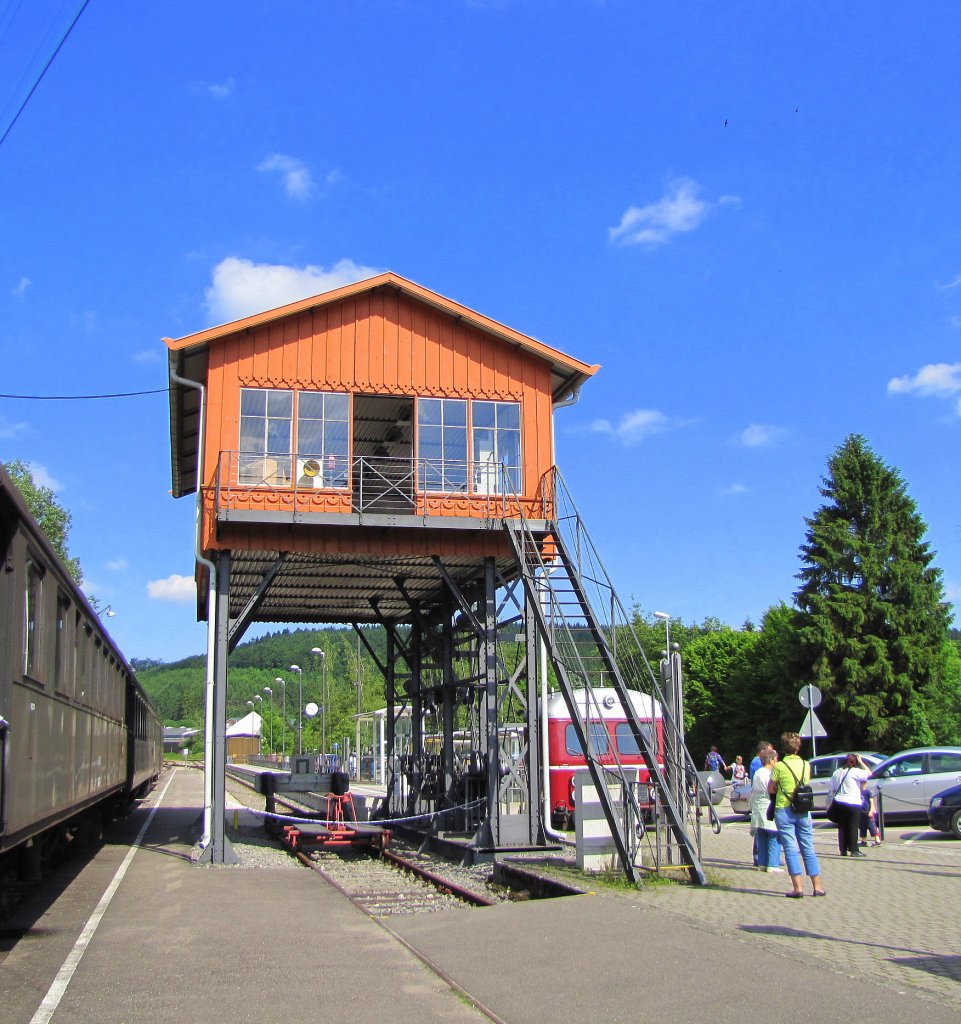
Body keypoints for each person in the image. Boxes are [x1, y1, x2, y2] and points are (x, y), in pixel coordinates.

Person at [769, 731, 824, 898]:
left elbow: (771, 788)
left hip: (784, 809)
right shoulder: (806, 765)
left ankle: (798, 888)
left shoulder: (779, 766)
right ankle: (818, 887)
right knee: (808, 847)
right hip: (803, 809)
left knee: (791, 849)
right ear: (798, 747)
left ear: (783, 748)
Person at [829, 753, 871, 857]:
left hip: (839, 801)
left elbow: (833, 787)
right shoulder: (855, 771)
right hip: (852, 802)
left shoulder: (836, 772)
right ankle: (854, 850)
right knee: (853, 826)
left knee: (842, 826)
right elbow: (869, 773)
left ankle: (843, 850)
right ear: (855, 763)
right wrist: (861, 761)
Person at [749, 748, 783, 872]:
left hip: (758, 807)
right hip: (768, 805)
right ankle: (772, 864)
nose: (777, 761)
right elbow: (773, 790)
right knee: (774, 835)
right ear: (771, 760)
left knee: (762, 836)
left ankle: (762, 863)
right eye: (776, 759)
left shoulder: (758, 772)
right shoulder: (769, 774)